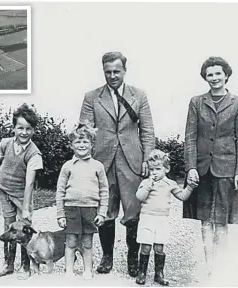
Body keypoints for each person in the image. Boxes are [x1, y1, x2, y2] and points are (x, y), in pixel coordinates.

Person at [79, 51, 155, 276]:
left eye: (116, 71)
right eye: (108, 72)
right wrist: (88, 161)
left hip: (132, 162)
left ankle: (133, 259)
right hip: (102, 163)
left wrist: (147, 158)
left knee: (133, 212)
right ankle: (107, 257)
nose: (112, 76)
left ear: (124, 71)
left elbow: (148, 130)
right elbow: (84, 131)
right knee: (105, 211)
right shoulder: (91, 97)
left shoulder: (138, 95)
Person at [183, 56, 238, 276]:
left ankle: (222, 267)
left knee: (221, 222)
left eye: (218, 74)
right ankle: (209, 266)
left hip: (226, 169)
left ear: (226, 75)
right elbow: (190, 137)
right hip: (201, 169)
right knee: (204, 221)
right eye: (209, 74)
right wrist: (191, 167)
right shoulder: (196, 102)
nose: (214, 78)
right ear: (205, 77)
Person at [0, 103, 43, 277]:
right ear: (13, 127)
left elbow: (29, 183)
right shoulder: (5, 143)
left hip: (22, 194)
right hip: (4, 191)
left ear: (33, 130)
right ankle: (8, 264)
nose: (24, 132)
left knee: (23, 229)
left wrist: (26, 208)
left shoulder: (34, 154)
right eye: (20, 128)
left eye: (28, 129)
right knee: (8, 227)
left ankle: (26, 266)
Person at [135, 150, 198, 286]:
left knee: (159, 247)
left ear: (166, 169)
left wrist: (190, 187)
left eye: (158, 169)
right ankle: (142, 273)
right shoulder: (146, 182)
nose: (154, 172)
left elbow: (182, 196)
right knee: (145, 246)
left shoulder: (170, 183)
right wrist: (149, 185)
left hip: (161, 219)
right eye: (152, 169)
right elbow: (139, 197)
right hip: (147, 218)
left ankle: (159, 274)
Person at [56, 122, 109, 280]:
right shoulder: (67, 166)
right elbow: (60, 191)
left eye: (85, 141)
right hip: (71, 208)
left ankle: (87, 270)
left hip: (90, 209)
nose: (81, 144)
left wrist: (102, 212)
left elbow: (104, 190)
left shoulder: (98, 166)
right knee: (71, 241)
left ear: (92, 144)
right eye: (77, 141)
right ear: (71, 145)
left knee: (87, 242)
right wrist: (60, 214)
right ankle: (69, 270)